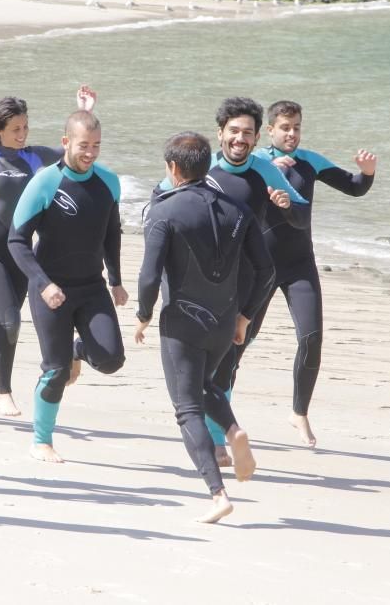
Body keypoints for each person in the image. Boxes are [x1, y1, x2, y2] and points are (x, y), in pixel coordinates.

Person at [135, 132, 269, 522]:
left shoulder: (163, 211)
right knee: (205, 385)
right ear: (206, 166)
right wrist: (245, 315)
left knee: (186, 406)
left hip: (183, 322)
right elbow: (265, 269)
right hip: (224, 322)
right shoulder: (237, 210)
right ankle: (232, 429)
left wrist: (144, 314)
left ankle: (217, 494)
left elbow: (149, 276)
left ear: (173, 168)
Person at [0, 87, 95, 416]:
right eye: (16, 129)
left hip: (20, 255)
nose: (23, 134)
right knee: (10, 320)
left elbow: (73, 150)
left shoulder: (33, 156)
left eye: (26, 127)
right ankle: (3, 391)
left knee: (0, 321)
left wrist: (84, 111)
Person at [248, 100, 377, 446]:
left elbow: (353, 187)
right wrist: (266, 171)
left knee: (311, 338)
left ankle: (299, 413)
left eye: (297, 127)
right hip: (261, 265)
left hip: (299, 264)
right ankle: (220, 399)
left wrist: (366, 173)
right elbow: (223, 181)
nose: (292, 134)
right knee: (242, 337)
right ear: (270, 130)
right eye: (285, 127)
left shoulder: (309, 162)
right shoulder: (254, 160)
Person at [8, 109, 127, 464]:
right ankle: (41, 440)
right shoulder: (45, 182)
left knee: (110, 360)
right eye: (83, 145)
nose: (90, 152)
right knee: (55, 370)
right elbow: (17, 241)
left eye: (96, 145)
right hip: (52, 290)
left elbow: (112, 234)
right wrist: (43, 284)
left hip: (92, 287)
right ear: (65, 143)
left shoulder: (109, 182)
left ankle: (79, 351)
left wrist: (117, 280)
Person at [195, 97, 308, 465]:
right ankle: (210, 434)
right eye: (233, 131)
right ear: (220, 133)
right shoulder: (203, 166)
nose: (240, 139)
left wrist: (286, 206)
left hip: (249, 283)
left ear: (258, 136)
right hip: (204, 280)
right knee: (205, 361)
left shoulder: (264, 171)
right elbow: (162, 198)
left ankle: (216, 437)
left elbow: (301, 218)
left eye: (247, 132)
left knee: (230, 360)